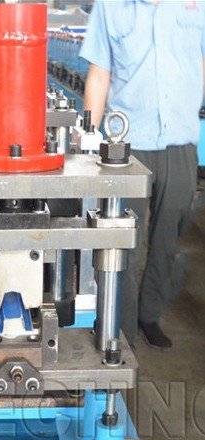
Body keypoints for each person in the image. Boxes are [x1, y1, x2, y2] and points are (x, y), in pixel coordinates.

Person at [80, 0, 205, 349]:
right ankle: (121, 331)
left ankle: (149, 314)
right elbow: (99, 75)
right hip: (128, 145)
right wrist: (88, 142)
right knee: (124, 243)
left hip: (180, 140)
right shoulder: (110, 7)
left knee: (168, 236)